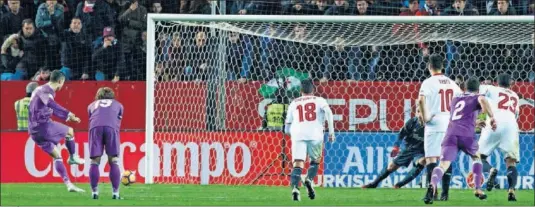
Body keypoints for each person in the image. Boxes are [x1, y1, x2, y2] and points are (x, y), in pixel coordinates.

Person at [424, 78, 497, 204]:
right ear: (478, 89)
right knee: (477, 158)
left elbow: (460, 117)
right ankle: (478, 189)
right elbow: (482, 100)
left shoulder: (455, 99)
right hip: (466, 135)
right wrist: (491, 117)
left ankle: (432, 185)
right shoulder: (478, 96)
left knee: (443, 165)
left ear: (464, 88)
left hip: (450, 134)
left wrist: (474, 122)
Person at [28, 70, 84, 192]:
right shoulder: (45, 90)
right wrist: (69, 114)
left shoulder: (39, 90)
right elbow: (52, 104)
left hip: (33, 131)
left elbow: (46, 107)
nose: (62, 86)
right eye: (63, 83)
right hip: (42, 126)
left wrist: (67, 116)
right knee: (70, 131)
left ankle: (69, 184)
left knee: (57, 156)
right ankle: (73, 157)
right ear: (60, 81)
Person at [417, 54, 461, 200]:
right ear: (442, 66)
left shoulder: (428, 83)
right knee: (446, 159)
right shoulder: (452, 83)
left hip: (434, 123)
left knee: (431, 159)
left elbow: (421, 100)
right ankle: (445, 193)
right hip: (450, 124)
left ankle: (433, 191)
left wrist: (424, 117)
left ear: (429, 66)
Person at [285, 79, 335, 201]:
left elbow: (287, 127)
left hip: (298, 134)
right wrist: (331, 132)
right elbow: (328, 112)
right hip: (315, 134)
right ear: (313, 90)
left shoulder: (294, 103)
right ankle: (309, 179)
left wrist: (291, 132)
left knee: (297, 165)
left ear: (300, 90)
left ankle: (295, 190)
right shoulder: (319, 100)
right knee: (315, 161)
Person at [478, 73, 520, 201]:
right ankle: (511, 190)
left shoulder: (491, 88)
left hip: (494, 122)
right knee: (511, 161)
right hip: (511, 125)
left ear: (497, 82)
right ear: (510, 83)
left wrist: (481, 118)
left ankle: (490, 170)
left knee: (478, 156)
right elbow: (516, 115)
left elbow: (480, 97)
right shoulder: (515, 96)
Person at [363, 107, 427, 189]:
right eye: (418, 111)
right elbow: (401, 135)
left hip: (422, 151)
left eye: (422, 112)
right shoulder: (412, 122)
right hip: (409, 149)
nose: (420, 114)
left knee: (422, 161)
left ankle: (399, 185)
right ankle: (374, 184)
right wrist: (396, 147)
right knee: (391, 167)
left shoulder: (431, 125)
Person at [87, 87, 124, 200]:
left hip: (95, 128)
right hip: (111, 128)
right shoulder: (119, 105)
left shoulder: (91, 105)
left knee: (95, 160)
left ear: (98, 96)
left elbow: (91, 117)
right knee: (113, 160)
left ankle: (94, 192)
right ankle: (115, 193)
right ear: (112, 96)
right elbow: (118, 120)